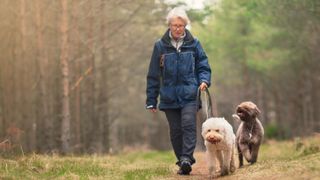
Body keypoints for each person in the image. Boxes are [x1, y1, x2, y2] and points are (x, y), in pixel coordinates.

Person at [145, 7, 211, 175]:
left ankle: (187, 158)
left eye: (181, 25)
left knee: (188, 124)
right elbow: (153, 74)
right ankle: (182, 161)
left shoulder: (194, 43)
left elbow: (203, 65)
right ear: (169, 26)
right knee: (175, 130)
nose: (177, 28)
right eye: (174, 25)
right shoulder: (160, 46)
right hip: (168, 96)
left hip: (190, 94)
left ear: (185, 26)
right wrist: (151, 99)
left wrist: (204, 80)